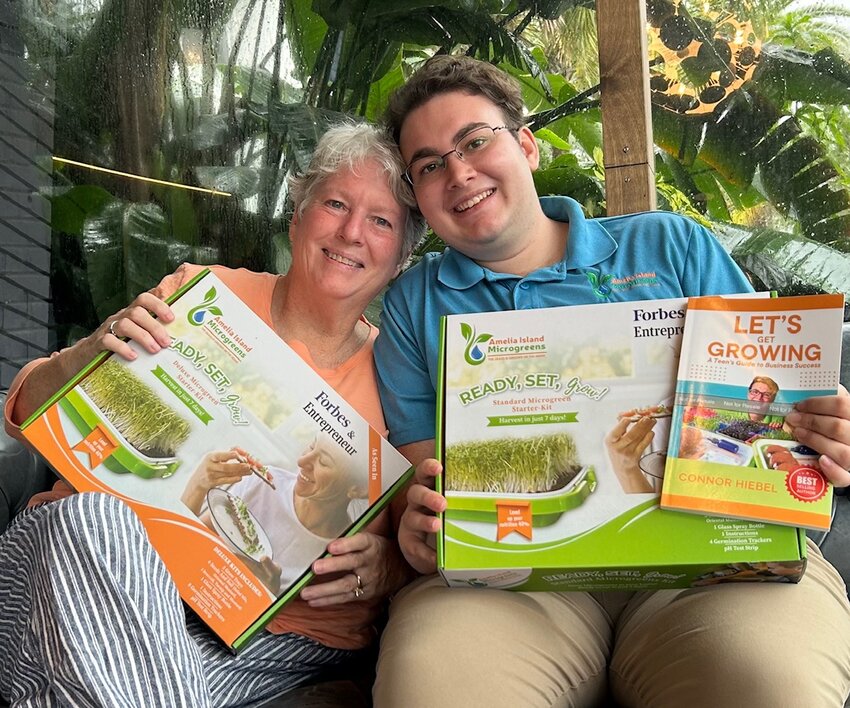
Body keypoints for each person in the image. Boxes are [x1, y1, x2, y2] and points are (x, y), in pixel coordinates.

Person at [371, 55, 850, 707]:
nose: (458, 173)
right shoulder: (413, 304)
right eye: (429, 165)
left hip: (715, 559)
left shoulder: (670, 246)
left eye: (475, 141)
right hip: (514, 576)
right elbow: (422, 477)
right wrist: (421, 525)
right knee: (432, 686)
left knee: (769, 680)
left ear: (527, 146)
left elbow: (774, 396)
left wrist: (821, 427)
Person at [0, 122, 425, 707]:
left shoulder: (401, 377)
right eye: (335, 203)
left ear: (402, 256)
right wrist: (88, 352)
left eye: (381, 221)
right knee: (96, 520)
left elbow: (424, 539)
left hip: (270, 638)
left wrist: (388, 568)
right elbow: (25, 407)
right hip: (86, 562)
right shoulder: (202, 292)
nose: (352, 232)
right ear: (298, 216)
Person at [183, 436, 368, 595]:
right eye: (311, 446)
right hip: (193, 580)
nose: (302, 462)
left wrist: (267, 594)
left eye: (324, 462)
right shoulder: (263, 482)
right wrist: (197, 486)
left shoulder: (343, 555)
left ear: (359, 489)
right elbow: (185, 541)